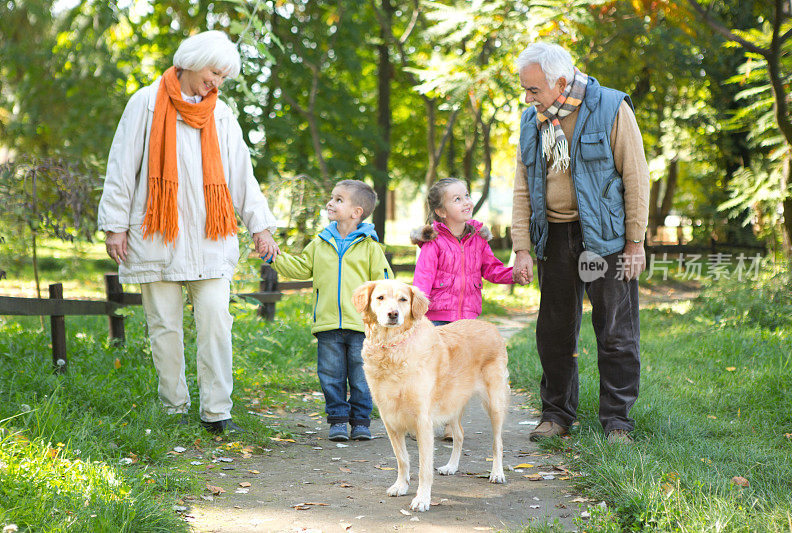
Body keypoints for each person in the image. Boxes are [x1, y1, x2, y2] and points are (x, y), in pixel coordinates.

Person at [97, 30, 279, 435]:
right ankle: (173, 408)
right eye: (214, 72)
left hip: (209, 239)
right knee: (164, 326)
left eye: (223, 77)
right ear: (192, 61)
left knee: (216, 321)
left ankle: (217, 412)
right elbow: (122, 167)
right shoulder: (144, 103)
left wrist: (260, 226)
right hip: (156, 235)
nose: (216, 82)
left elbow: (241, 176)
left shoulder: (222, 115)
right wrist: (114, 226)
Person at [511, 42, 650, 444]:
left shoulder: (610, 107)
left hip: (604, 238)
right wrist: (522, 246)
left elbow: (636, 177)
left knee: (615, 331)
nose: (527, 97)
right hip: (553, 237)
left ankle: (618, 421)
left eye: (533, 89)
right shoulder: (530, 120)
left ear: (559, 82)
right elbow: (522, 186)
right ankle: (556, 414)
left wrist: (634, 241)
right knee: (554, 329)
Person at [267, 180, 393, 441]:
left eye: (338, 199)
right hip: (327, 325)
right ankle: (337, 420)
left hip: (362, 327)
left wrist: (382, 319)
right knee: (331, 377)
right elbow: (300, 268)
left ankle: (361, 422)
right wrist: (274, 257)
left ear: (356, 212)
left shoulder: (371, 248)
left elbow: (384, 285)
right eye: (332, 198)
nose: (330, 203)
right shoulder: (319, 244)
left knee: (361, 378)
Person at [411, 177, 515, 440]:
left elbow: (491, 268)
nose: (466, 201)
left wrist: (514, 275)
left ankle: (451, 424)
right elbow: (421, 283)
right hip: (437, 320)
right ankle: (425, 417)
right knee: (435, 371)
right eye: (457, 199)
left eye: (466, 195)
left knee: (461, 373)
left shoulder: (478, 240)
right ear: (441, 211)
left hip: (467, 320)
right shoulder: (432, 243)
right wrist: (416, 315)